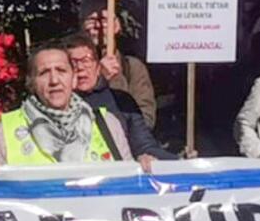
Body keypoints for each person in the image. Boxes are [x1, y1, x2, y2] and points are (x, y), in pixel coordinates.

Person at [0, 42, 154, 171]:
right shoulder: (0, 134)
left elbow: (128, 180)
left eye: (61, 71)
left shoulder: (108, 123)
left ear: (73, 79)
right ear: (31, 83)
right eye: (44, 73)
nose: (54, 80)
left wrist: (143, 166)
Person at [64, 34, 177, 162]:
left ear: (97, 66)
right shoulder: (59, 105)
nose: (80, 68)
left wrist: (177, 162)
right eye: (73, 62)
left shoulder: (121, 100)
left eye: (86, 61)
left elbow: (144, 145)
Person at [82, 0, 159, 128]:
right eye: (91, 20)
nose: (98, 25)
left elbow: (146, 117)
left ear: (117, 25)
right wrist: (99, 79)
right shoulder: (69, 67)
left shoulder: (133, 67)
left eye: (104, 19)